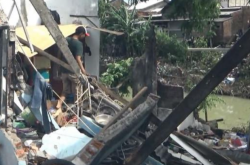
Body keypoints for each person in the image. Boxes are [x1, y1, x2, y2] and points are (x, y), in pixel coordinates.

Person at [56, 26, 90, 109]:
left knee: (65, 90)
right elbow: (78, 58)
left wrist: (59, 66)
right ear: (81, 34)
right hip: (73, 72)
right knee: (77, 92)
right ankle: (77, 110)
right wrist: (83, 70)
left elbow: (59, 53)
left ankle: (59, 103)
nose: (84, 37)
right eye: (84, 35)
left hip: (64, 71)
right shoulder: (79, 44)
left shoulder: (66, 40)